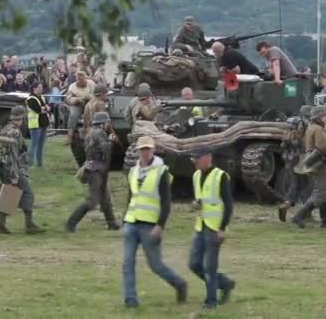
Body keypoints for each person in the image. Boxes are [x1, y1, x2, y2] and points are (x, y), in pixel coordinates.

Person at [121, 135, 187, 308]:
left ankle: (179, 283)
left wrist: (160, 225)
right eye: (142, 149)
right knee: (127, 262)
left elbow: (166, 202)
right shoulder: (133, 171)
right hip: (131, 223)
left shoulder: (161, 171)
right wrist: (124, 219)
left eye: (147, 149)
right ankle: (130, 300)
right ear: (137, 151)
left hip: (149, 225)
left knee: (156, 265)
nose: (145, 152)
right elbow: (131, 196)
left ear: (153, 150)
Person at [188, 148, 235, 310]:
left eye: (197, 158)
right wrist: (196, 204)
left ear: (208, 158)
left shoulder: (220, 176)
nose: (194, 162)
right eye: (193, 159)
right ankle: (225, 283)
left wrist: (222, 228)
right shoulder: (196, 176)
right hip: (200, 225)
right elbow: (202, 198)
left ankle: (211, 302)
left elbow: (228, 205)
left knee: (209, 266)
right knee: (194, 264)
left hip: (214, 227)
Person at [66, 111, 121, 233]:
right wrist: (111, 141)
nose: (108, 124)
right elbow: (104, 149)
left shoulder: (93, 132)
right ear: (103, 123)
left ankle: (111, 223)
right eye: (107, 122)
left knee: (105, 199)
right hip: (96, 170)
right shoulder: (99, 133)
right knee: (92, 201)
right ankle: (71, 222)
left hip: (97, 168)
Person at [0, 105, 45, 235]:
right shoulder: (15, 132)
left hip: (5, 166)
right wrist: (14, 174)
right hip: (12, 168)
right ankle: (29, 225)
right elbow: (12, 153)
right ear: (21, 118)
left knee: (8, 194)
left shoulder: (6, 129)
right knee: (28, 194)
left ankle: (1, 225)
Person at [291, 106, 326, 229]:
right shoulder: (318, 129)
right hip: (321, 164)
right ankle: (299, 216)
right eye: (324, 116)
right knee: (321, 193)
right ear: (319, 118)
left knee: (325, 193)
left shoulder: (312, 127)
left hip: (317, 163)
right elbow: (322, 147)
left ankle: (325, 220)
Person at [278, 105, 313, 222]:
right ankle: (306, 213)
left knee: (295, 184)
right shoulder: (306, 124)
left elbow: (284, 143)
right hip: (301, 158)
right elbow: (306, 142)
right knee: (306, 185)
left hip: (290, 157)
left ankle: (286, 204)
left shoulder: (291, 122)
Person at [64, 70, 95, 144]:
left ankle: (90, 136)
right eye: (78, 77)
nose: (80, 78)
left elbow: (94, 95)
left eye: (82, 76)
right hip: (77, 104)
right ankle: (69, 136)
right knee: (73, 115)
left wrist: (84, 97)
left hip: (89, 102)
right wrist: (75, 99)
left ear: (85, 77)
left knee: (90, 114)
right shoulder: (72, 86)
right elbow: (68, 98)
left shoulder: (91, 83)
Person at [26, 82, 49, 168]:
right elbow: (38, 110)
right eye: (39, 87)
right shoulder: (31, 98)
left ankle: (40, 164)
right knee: (34, 145)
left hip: (43, 123)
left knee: (41, 145)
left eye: (41, 87)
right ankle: (30, 163)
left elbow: (47, 107)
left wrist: (44, 108)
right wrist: (44, 108)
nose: (41, 89)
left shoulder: (42, 97)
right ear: (34, 88)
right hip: (36, 125)